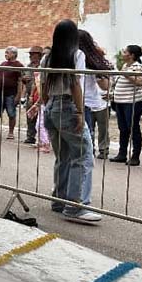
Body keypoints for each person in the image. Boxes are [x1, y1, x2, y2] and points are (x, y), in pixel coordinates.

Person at [41, 19, 100, 223]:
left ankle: (59, 200)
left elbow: (43, 87)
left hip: (51, 107)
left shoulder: (47, 58)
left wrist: (46, 107)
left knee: (63, 156)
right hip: (68, 106)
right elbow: (76, 84)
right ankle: (76, 206)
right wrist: (80, 112)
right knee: (83, 156)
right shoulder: (77, 55)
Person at [110, 45, 142, 166]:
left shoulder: (137, 67)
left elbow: (139, 81)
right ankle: (122, 154)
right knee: (123, 129)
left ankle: (135, 156)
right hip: (121, 102)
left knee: (133, 128)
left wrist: (126, 74)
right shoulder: (126, 66)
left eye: (125, 52)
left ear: (131, 55)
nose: (122, 53)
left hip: (132, 103)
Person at [78, 30, 113, 159]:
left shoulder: (90, 61)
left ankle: (99, 151)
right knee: (87, 133)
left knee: (93, 131)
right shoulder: (89, 60)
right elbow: (105, 85)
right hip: (85, 102)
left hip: (90, 102)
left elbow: (105, 86)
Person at [0, 46, 25, 140]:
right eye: (5, 52)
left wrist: (18, 95)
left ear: (14, 54)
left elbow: (20, 81)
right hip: (0, 93)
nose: (5, 54)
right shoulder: (3, 64)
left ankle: (11, 132)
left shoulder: (19, 65)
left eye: (8, 52)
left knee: (11, 113)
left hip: (11, 94)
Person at [23, 46, 45, 145]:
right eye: (30, 54)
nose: (31, 56)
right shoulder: (28, 66)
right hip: (30, 95)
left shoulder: (43, 65)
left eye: (33, 54)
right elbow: (23, 79)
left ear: (39, 55)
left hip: (41, 94)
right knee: (30, 116)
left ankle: (44, 139)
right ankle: (30, 136)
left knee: (43, 118)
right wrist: (24, 79)